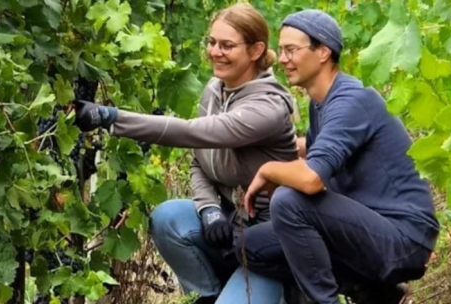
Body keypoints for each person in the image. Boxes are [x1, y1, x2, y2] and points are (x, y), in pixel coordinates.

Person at [73, 4, 299, 303]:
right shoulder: (215, 89)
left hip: (270, 237)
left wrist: (111, 117)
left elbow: (194, 133)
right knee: (168, 217)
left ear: (256, 50)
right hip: (232, 225)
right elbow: (199, 158)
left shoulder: (268, 106)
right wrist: (210, 210)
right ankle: (207, 296)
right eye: (212, 42)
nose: (215, 52)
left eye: (227, 45)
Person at [239, 9, 440, 304]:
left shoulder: (351, 100)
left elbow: (311, 179)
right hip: (368, 230)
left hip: (403, 239)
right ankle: (376, 294)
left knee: (289, 201)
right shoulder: (320, 103)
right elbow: (318, 148)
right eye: (281, 50)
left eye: (291, 50)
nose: (282, 59)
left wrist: (269, 168)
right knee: (249, 245)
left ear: (323, 52)